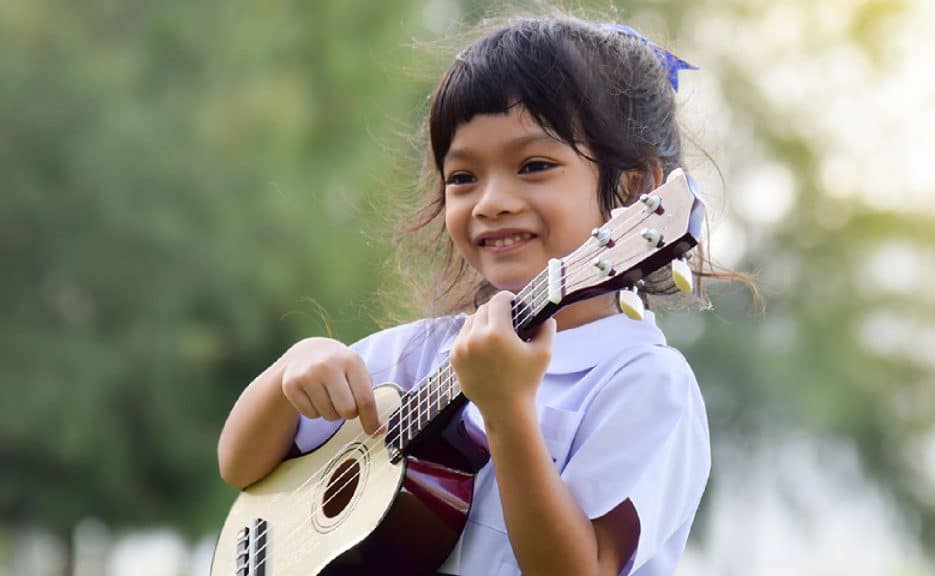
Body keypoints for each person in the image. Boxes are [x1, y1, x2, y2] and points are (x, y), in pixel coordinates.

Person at [219, 13, 750, 576]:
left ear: (633, 188)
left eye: (534, 165)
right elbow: (240, 464)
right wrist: (293, 370)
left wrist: (507, 412)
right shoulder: (415, 356)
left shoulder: (642, 383)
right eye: (463, 178)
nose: (491, 201)